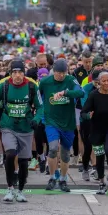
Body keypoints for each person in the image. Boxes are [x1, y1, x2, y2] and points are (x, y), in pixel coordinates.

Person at [0, 59, 44, 203]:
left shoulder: (32, 86)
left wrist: (37, 119)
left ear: (24, 73)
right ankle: (10, 188)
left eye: (20, 72)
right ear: (10, 73)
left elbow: (41, 107)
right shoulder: (4, 86)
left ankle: (20, 190)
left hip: (26, 127)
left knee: (23, 162)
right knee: (10, 154)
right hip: (8, 125)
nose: (17, 75)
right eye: (14, 72)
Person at [39, 58, 83, 192]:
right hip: (51, 121)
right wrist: (40, 113)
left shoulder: (70, 80)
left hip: (68, 122)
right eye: (58, 73)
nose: (61, 75)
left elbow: (81, 92)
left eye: (63, 72)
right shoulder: (45, 82)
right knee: (52, 148)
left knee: (64, 153)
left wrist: (66, 92)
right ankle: (52, 177)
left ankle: (63, 179)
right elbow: (38, 97)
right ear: (53, 71)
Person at [81, 71, 108, 194]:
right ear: (99, 82)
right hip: (96, 130)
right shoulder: (93, 95)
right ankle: (101, 183)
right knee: (99, 157)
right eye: (104, 81)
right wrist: (88, 116)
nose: (106, 83)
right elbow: (83, 112)